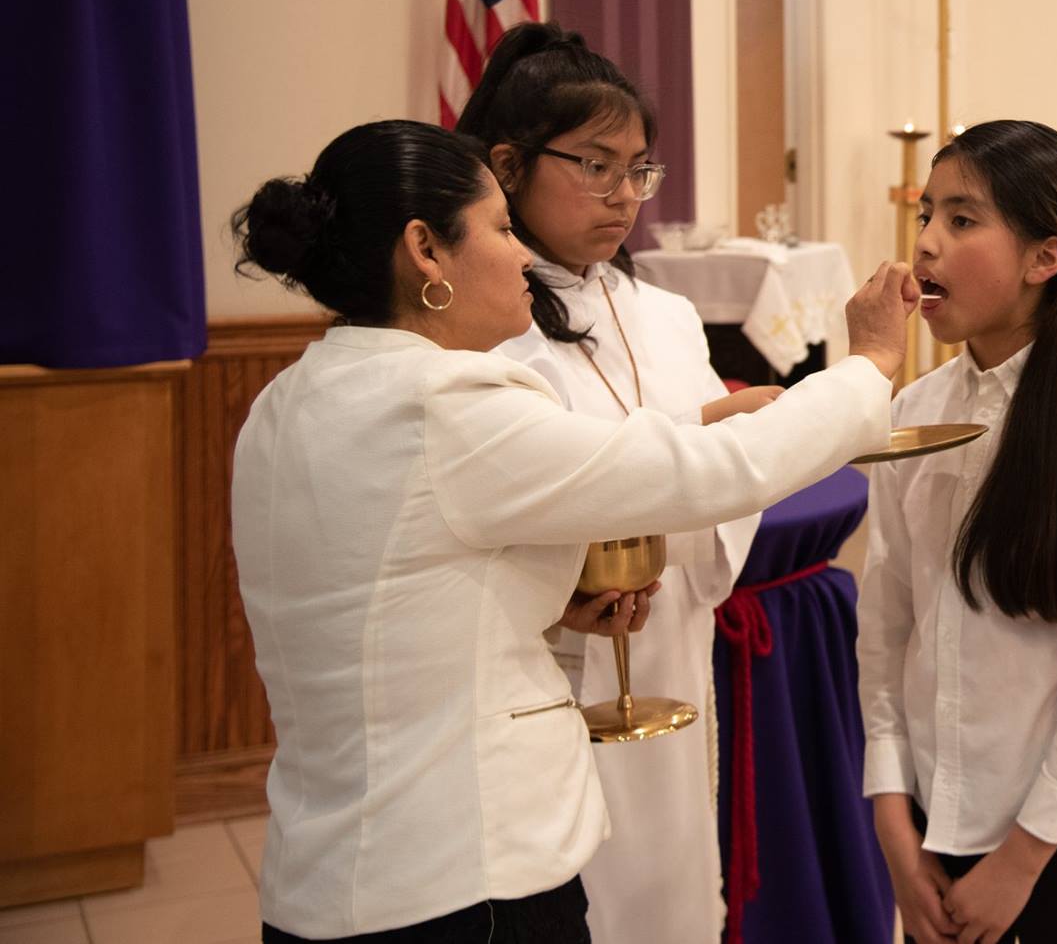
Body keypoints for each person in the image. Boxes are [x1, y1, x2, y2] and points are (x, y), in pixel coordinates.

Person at [230, 118, 916, 943]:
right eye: (499, 227)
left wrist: (546, 605)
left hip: (326, 872)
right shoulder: (443, 404)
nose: (522, 254)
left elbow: (377, 593)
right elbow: (707, 473)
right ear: (425, 249)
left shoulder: (287, 401)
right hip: (465, 881)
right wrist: (868, 365)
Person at [454, 23, 767, 944]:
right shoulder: (484, 322)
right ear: (508, 166)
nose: (626, 195)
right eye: (596, 166)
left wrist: (725, 442)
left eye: (639, 170)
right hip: (555, 659)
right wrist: (702, 434)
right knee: (581, 891)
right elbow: (517, 480)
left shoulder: (665, 312)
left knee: (673, 885)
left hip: (668, 638)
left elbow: (720, 488)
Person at [856, 120, 1057, 944]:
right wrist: (892, 816)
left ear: (1045, 257)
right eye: (927, 214)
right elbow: (887, 625)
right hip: (932, 818)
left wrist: (1023, 858)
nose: (926, 242)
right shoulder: (913, 413)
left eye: (962, 219)